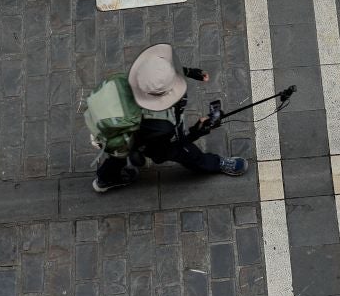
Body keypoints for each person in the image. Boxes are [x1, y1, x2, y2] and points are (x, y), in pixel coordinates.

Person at [92, 44, 247, 192]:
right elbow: (171, 146)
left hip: (120, 131)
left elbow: (161, 74)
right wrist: (198, 130)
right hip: (151, 142)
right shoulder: (162, 126)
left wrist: (189, 72)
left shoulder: (142, 80)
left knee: (118, 153)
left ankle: (105, 179)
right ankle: (217, 164)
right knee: (189, 154)